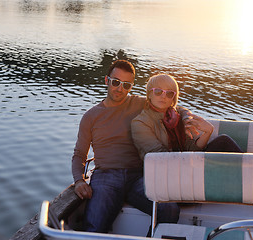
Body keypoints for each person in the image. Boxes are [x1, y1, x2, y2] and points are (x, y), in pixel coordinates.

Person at [71, 61, 179, 233]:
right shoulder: (90, 116)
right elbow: (79, 154)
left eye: (126, 85)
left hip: (138, 177)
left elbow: (171, 106)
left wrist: (185, 117)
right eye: (116, 82)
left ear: (131, 87)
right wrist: (78, 181)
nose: (120, 88)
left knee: (169, 209)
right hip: (106, 176)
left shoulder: (140, 104)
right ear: (107, 80)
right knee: (94, 227)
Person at [131, 74, 242, 161]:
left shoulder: (176, 116)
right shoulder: (140, 123)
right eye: (158, 91)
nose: (163, 96)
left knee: (223, 141)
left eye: (169, 93)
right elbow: (159, 157)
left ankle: (249, 176)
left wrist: (208, 132)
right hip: (165, 169)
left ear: (173, 98)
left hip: (186, 161)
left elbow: (192, 149)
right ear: (149, 94)